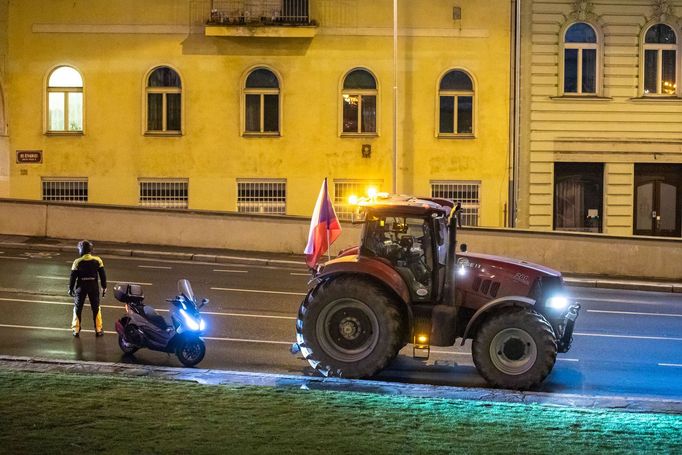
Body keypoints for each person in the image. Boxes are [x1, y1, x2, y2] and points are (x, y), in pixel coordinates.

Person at [68, 240, 107, 337]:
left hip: (81, 288)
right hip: (93, 287)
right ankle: (98, 330)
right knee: (96, 308)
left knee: (77, 308)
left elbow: (72, 277)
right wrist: (104, 287)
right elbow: (103, 275)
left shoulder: (77, 262)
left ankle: (76, 330)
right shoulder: (98, 260)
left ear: (81, 250)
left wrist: (70, 288)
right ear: (90, 250)